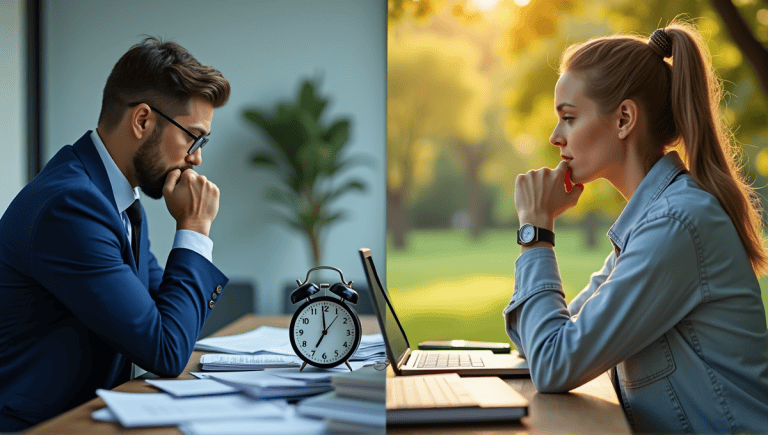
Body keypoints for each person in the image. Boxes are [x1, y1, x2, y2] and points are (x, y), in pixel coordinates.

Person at [506, 21, 768, 433]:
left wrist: (536, 232)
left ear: (625, 118)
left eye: (569, 118)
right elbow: (542, 342)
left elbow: (554, 363)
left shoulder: (676, 225)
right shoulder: (653, 222)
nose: (556, 137)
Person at [0, 37, 231, 431]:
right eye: (192, 137)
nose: (196, 157)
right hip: (39, 427)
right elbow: (166, 349)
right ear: (143, 120)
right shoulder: (72, 206)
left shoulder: (115, 200)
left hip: (86, 418)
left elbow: (171, 320)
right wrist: (194, 228)